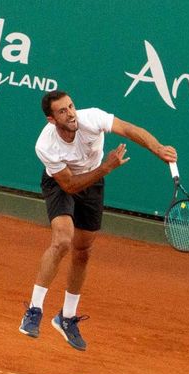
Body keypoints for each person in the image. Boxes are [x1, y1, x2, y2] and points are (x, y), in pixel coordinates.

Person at [19, 90, 176, 351]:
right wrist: (106, 168)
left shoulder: (91, 118)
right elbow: (68, 185)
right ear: (51, 119)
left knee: (83, 251)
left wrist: (157, 148)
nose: (70, 114)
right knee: (62, 241)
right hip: (63, 183)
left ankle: (67, 318)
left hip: (93, 184)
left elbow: (129, 129)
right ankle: (34, 310)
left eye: (70, 106)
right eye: (62, 111)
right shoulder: (45, 145)